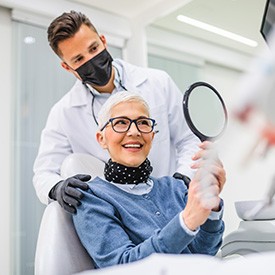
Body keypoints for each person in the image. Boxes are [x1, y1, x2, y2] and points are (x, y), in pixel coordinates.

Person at [33, 10, 202, 213]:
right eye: (78, 59)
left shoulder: (158, 83)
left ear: (103, 41)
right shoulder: (64, 113)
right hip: (118, 214)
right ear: (67, 67)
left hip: (171, 202)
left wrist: (182, 180)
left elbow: (189, 140)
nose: (91, 60)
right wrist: (56, 187)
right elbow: (44, 172)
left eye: (93, 48)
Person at [72, 91, 225, 269]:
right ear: (102, 139)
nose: (134, 131)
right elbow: (122, 267)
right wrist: (186, 221)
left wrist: (211, 209)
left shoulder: (174, 188)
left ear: (151, 136)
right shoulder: (92, 198)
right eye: (121, 123)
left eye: (143, 123)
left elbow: (204, 253)